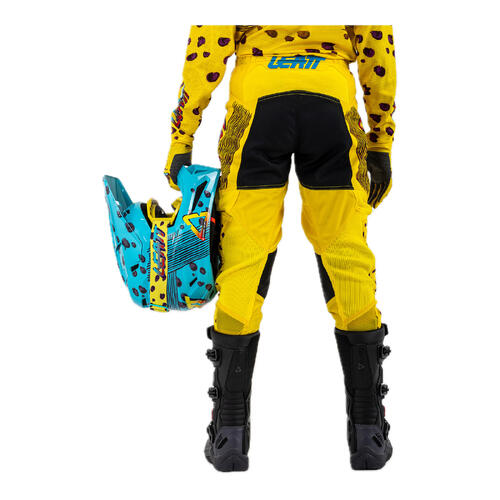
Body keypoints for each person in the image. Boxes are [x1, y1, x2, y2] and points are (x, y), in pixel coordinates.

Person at [165, 25, 396, 471]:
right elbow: (376, 46)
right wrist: (380, 141)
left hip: (258, 97)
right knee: (345, 251)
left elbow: (207, 46)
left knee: (244, 254)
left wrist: (182, 139)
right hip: (330, 96)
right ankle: (368, 431)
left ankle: (230, 433)